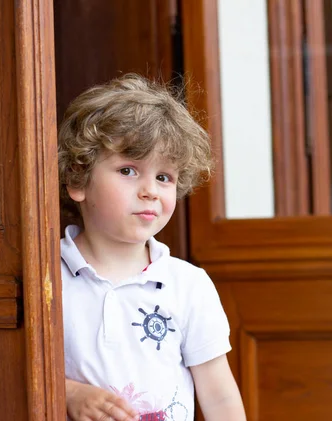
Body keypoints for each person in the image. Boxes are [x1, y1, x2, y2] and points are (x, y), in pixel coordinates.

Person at [58, 74, 246, 421]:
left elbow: (220, 398)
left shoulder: (189, 286)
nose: (150, 191)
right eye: (128, 170)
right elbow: (15, 370)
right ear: (77, 180)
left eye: (164, 177)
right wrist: (69, 393)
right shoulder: (48, 278)